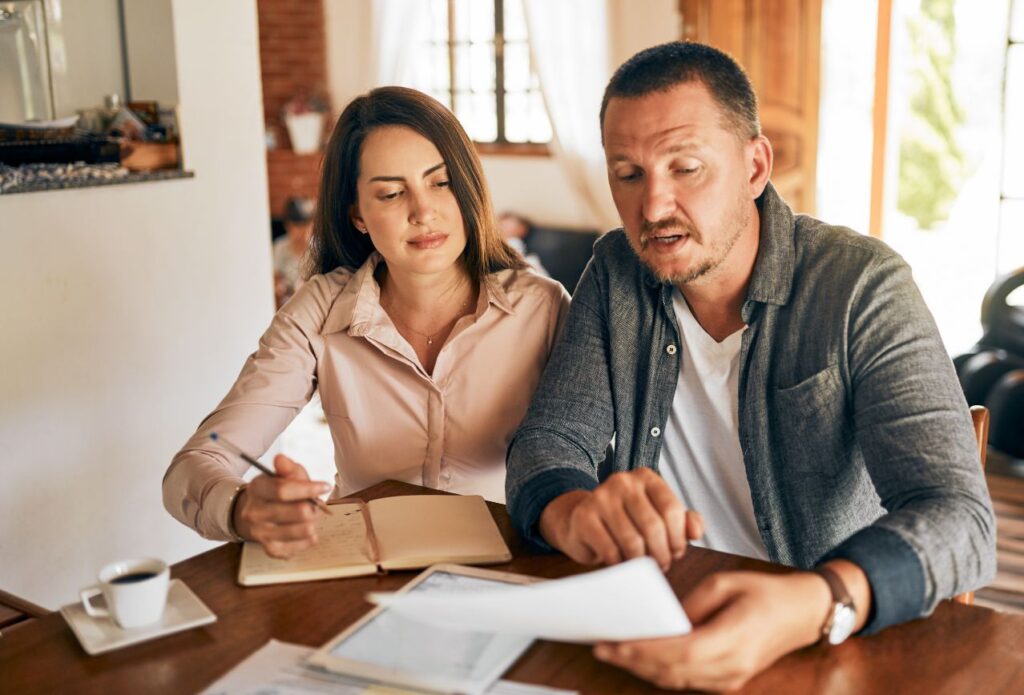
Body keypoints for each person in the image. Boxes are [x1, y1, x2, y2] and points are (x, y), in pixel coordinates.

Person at [505, 42, 995, 691]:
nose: (652, 207)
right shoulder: (615, 274)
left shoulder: (862, 286)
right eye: (628, 173)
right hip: (655, 619)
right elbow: (548, 442)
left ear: (755, 165)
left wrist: (821, 599)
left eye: (686, 167)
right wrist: (570, 509)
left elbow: (962, 519)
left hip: (822, 639)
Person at [164, 86, 569, 559]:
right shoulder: (318, 312)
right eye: (392, 193)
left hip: (510, 568)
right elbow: (194, 465)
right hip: (364, 574)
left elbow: (585, 464)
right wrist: (239, 507)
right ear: (358, 213)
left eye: (441, 183)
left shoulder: (542, 308)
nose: (424, 211)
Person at [273, 196, 315, 308]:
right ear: (288, 225)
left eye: (306, 224)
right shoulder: (280, 247)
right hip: (288, 304)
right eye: (298, 225)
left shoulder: (318, 248)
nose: (303, 231)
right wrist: (279, 286)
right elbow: (276, 276)